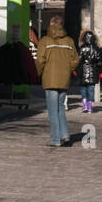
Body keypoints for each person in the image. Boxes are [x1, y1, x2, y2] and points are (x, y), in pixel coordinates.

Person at [36, 14, 79, 147]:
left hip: (49, 79)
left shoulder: (45, 41)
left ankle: (56, 139)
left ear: (51, 24)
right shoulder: (69, 41)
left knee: (52, 110)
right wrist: (68, 70)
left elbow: (40, 61)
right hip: (64, 79)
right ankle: (65, 134)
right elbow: (75, 60)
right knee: (60, 108)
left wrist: (40, 74)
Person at [78, 29, 102, 113]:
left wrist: (75, 70)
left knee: (83, 89)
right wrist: (100, 71)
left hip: (83, 70)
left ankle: (84, 105)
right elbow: (100, 61)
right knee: (91, 89)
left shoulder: (82, 47)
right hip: (93, 70)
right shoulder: (97, 49)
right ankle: (90, 106)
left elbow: (78, 59)